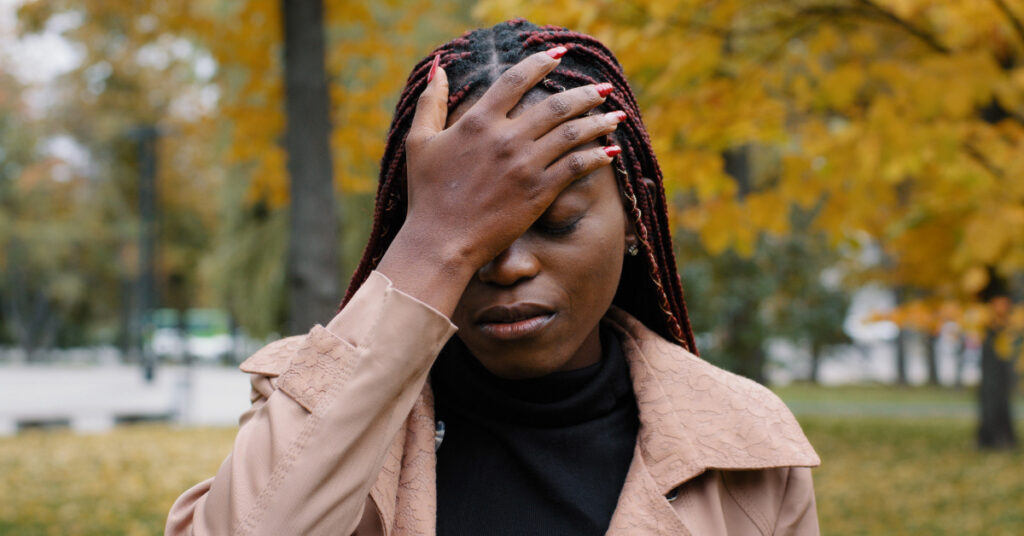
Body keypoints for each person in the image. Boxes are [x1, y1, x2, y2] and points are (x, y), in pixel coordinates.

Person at [166, 19, 820, 536]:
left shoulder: (746, 446)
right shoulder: (306, 406)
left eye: (557, 220)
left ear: (634, 220)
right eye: (471, 232)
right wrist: (432, 246)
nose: (508, 265)